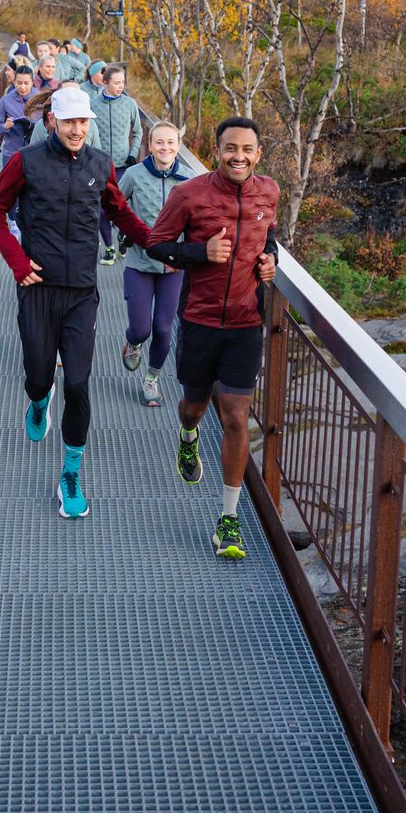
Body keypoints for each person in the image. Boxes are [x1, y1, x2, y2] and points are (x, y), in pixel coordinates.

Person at [0, 85, 154, 520]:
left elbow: (119, 213)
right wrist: (18, 264)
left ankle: (71, 474)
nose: (78, 129)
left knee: (78, 384)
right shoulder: (26, 162)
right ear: (53, 121)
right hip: (37, 287)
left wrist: (159, 243)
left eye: (84, 122)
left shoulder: (100, 163)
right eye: (71, 121)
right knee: (39, 377)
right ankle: (38, 401)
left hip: (82, 291)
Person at [145, 117, 280, 560]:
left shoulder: (269, 192)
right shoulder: (189, 194)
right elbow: (156, 244)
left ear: (258, 154)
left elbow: (269, 235)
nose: (238, 156)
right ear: (216, 150)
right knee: (194, 406)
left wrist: (270, 260)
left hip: (246, 321)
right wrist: (199, 253)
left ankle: (228, 520)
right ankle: (187, 437)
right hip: (200, 320)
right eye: (229, 148)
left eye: (247, 149)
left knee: (236, 415)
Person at [117, 122, 192, 408]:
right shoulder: (134, 175)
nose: (165, 148)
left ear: (178, 145)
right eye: (159, 142)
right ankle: (133, 342)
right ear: (149, 145)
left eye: (171, 143)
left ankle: (152, 378)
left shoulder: (188, 180)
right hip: (139, 262)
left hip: (173, 268)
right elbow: (115, 207)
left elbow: (197, 221)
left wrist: (188, 253)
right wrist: (126, 233)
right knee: (141, 329)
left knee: (163, 329)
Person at [88, 64, 144, 264]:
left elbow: (138, 132)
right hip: (100, 166)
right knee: (101, 210)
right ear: (105, 82)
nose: (121, 86)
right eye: (117, 82)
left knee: (121, 208)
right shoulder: (92, 105)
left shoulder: (130, 104)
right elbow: (88, 132)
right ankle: (109, 248)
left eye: (123, 82)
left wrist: (133, 153)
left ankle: (121, 237)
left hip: (122, 166)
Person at [0, 62, 37, 168]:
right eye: (19, 83)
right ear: (14, 81)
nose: (22, 87)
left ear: (32, 82)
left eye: (26, 83)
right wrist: (5, 126)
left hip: (35, 151)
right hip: (11, 152)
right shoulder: (5, 100)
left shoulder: (39, 98)